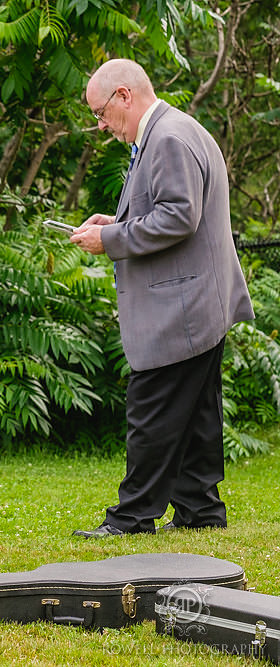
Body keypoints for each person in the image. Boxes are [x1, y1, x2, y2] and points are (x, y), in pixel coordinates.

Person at [69, 59, 254, 538]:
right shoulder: (176, 130)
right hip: (199, 301)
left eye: (102, 113)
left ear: (125, 96)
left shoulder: (168, 139)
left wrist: (109, 242)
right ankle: (199, 508)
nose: (102, 126)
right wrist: (115, 224)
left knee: (151, 408)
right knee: (196, 412)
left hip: (182, 308)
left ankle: (131, 517)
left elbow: (178, 217)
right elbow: (167, 211)